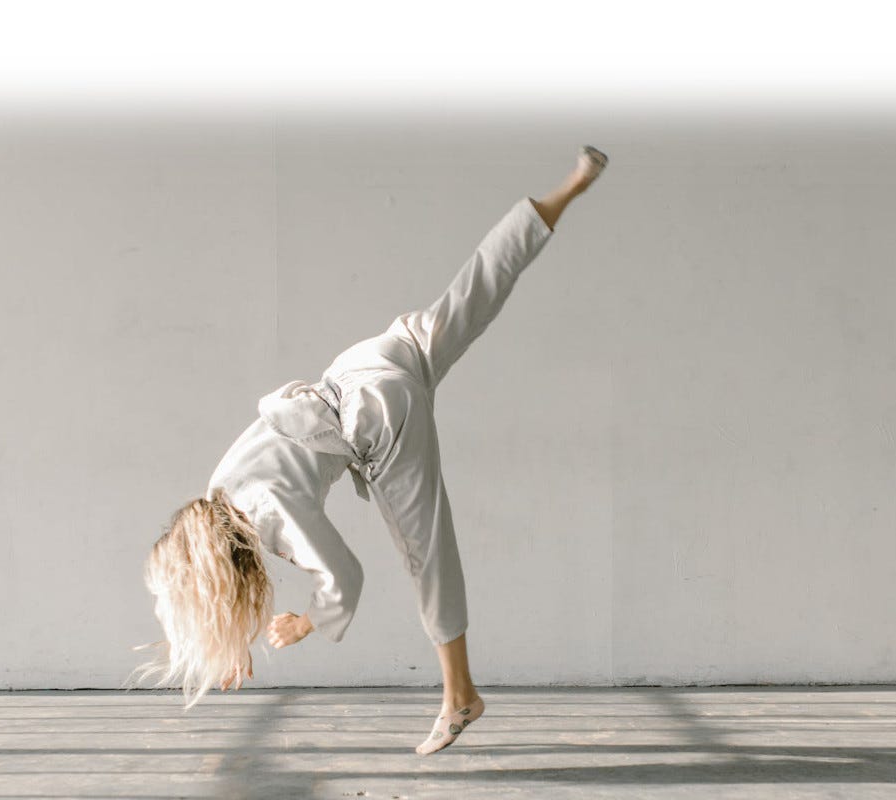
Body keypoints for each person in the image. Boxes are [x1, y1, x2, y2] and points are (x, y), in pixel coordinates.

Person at [133, 146, 608, 755]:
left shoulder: (268, 517)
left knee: (425, 555)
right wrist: (234, 643)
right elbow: (201, 582)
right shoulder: (218, 488)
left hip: (376, 418)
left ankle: (460, 693)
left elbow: (345, 577)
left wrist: (307, 624)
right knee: (477, 288)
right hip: (368, 361)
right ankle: (569, 186)